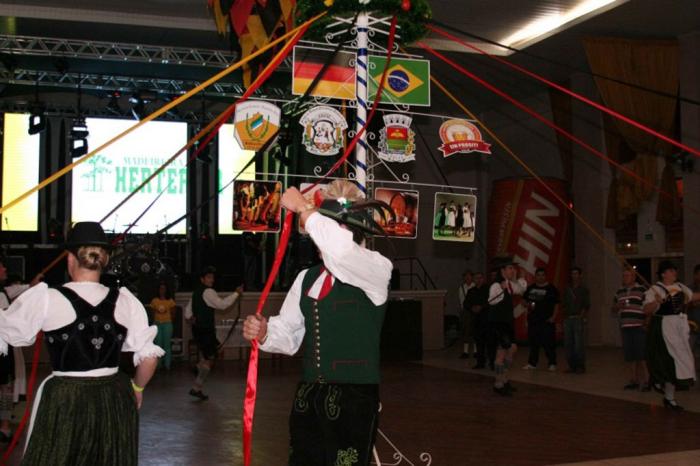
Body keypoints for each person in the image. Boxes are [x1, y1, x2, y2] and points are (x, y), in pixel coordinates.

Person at [243, 180, 393, 466]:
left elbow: (342, 252)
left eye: (333, 226)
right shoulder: (306, 278)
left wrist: (304, 207)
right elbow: (289, 332)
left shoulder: (375, 267)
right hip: (308, 393)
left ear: (352, 232)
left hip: (354, 397)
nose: (319, 235)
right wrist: (264, 333)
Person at [0, 221, 162, 465]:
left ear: (70, 259)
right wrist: (137, 390)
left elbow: (7, 330)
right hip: (114, 396)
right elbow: (149, 357)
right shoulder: (126, 301)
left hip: (65, 398)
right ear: (104, 260)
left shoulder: (46, 298)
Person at [643, 261, 699, 410]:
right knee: (666, 362)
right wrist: (656, 302)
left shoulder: (680, 287)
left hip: (678, 327)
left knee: (680, 361)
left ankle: (668, 396)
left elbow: (693, 297)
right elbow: (646, 310)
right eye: (671, 271)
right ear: (663, 273)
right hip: (663, 328)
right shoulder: (655, 289)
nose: (675, 273)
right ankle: (665, 392)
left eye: (675, 270)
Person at [185, 267, 243, 400]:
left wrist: (191, 319)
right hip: (205, 330)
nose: (212, 279)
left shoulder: (196, 293)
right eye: (209, 277)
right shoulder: (208, 292)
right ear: (202, 279)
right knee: (210, 359)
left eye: (212, 277)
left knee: (213, 353)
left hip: (199, 330)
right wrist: (236, 293)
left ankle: (198, 371)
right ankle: (196, 384)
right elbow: (222, 305)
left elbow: (188, 312)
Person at [0, 259, 42, 442]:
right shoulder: (2, 294)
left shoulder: (4, 292)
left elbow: (22, 290)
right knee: (5, 387)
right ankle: (5, 426)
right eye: (0, 266)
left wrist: (33, 286)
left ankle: (5, 426)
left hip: (5, 350)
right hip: (2, 350)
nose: (4, 268)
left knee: (5, 388)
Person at [487, 256, 527, 396]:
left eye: (513, 268)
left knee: (513, 349)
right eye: (510, 268)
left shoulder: (509, 284)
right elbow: (491, 301)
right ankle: (499, 384)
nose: (513, 270)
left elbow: (521, 290)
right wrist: (502, 290)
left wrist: (516, 278)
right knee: (501, 353)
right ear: (502, 270)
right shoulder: (496, 285)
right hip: (498, 324)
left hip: (507, 323)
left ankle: (504, 379)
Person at [612, 267, 649, 391]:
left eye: (627, 275)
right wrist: (617, 306)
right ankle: (633, 380)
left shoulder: (642, 290)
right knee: (630, 356)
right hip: (625, 327)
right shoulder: (619, 292)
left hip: (639, 327)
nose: (625, 278)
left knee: (641, 355)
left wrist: (646, 323)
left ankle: (647, 381)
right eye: (624, 276)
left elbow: (648, 308)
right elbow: (613, 309)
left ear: (634, 277)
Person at [523, 268, 559, 371]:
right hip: (534, 321)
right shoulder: (531, 288)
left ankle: (552, 363)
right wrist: (528, 304)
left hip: (547, 320)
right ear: (535, 276)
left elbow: (557, 304)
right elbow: (524, 302)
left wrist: (553, 317)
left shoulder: (551, 288)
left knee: (549, 343)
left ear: (545, 276)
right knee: (533, 342)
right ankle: (532, 363)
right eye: (538, 275)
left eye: (542, 275)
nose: (540, 277)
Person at [562, 267, 590, 373]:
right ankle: (571, 365)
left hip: (578, 318)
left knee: (579, 344)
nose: (574, 276)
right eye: (572, 274)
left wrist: (581, 317)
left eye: (576, 274)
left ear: (580, 275)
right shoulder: (567, 289)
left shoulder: (583, 289)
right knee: (568, 343)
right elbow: (563, 303)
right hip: (568, 318)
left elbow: (586, 305)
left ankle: (580, 366)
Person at [463, 272, 490, 369]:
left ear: (483, 279)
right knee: (479, 342)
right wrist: (472, 308)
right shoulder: (471, 291)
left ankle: (491, 362)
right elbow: (466, 303)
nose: (478, 280)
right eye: (476, 278)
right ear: (474, 280)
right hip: (476, 319)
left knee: (489, 342)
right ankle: (480, 362)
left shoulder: (488, 290)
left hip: (487, 319)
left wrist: (481, 307)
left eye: (480, 278)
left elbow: (491, 302)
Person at [150, 282, 177, 370]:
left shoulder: (170, 301)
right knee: (158, 344)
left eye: (164, 289)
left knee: (167, 345)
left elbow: (173, 313)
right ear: (158, 290)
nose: (162, 291)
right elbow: (152, 313)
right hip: (157, 324)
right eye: (160, 288)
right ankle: (158, 365)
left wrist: (167, 320)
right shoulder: (154, 300)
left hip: (167, 324)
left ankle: (167, 365)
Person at [457, 271, 475, 359]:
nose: (467, 278)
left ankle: (476, 351)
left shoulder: (475, 286)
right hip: (466, 311)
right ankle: (465, 351)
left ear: (472, 277)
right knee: (465, 331)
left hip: (474, 311)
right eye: (466, 277)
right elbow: (461, 300)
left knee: (475, 331)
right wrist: (462, 311)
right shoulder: (461, 288)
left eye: (469, 276)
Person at [687, 264, 700, 358]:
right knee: (689, 354)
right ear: (695, 275)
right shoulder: (688, 289)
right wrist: (692, 304)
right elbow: (682, 305)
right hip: (691, 326)